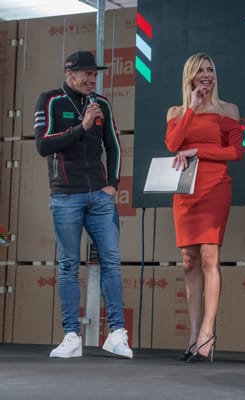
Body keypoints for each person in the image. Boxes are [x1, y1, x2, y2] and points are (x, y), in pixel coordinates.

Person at [34, 50, 133, 359]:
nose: (93, 79)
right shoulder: (50, 101)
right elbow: (42, 144)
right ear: (70, 73)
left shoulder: (102, 103)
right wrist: (81, 127)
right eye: (88, 74)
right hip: (65, 196)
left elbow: (114, 146)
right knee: (68, 265)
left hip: (99, 197)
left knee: (111, 262)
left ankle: (117, 333)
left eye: (95, 74)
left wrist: (112, 185)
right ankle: (71, 336)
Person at [165, 53, 243, 363]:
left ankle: (207, 334)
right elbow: (173, 145)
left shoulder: (228, 110)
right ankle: (193, 334)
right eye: (200, 71)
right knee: (188, 260)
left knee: (210, 255)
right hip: (186, 190)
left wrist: (197, 150)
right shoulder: (176, 111)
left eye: (210, 69)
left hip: (215, 186)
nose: (207, 74)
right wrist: (192, 108)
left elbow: (235, 152)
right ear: (190, 76)